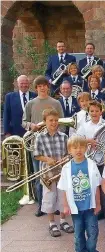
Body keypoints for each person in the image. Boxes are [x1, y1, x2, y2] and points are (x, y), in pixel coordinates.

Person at [22, 76, 64, 217]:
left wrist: (59, 137)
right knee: (40, 176)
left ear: (48, 87)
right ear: (36, 88)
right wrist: (31, 126)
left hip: (56, 144)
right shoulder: (31, 103)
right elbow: (24, 121)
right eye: (39, 86)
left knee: (57, 176)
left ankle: (57, 205)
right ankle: (41, 205)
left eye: (45, 85)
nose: (42, 88)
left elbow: (62, 122)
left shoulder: (56, 103)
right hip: (38, 144)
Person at [58, 136, 101, 252]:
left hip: (90, 206)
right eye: (75, 147)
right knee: (78, 233)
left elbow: (97, 186)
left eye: (82, 147)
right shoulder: (66, 168)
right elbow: (64, 188)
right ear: (69, 150)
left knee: (93, 232)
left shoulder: (91, 164)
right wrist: (65, 206)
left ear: (86, 148)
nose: (78, 150)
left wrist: (98, 203)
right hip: (76, 208)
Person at [33, 108, 74, 237]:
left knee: (63, 197)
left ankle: (63, 220)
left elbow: (69, 154)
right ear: (44, 121)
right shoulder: (39, 137)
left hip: (62, 171)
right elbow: (36, 155)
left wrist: (65, 158)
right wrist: (47, 159)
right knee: (49, 198)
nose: (54, 123)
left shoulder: (64, 136)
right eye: (51, 120)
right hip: (47, 173)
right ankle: (52, 223)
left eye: (56, 120)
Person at [77, 100, 105, 218]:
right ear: (88, 112)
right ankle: (98, 210)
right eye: (91, 111)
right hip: (92, 160)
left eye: (96, 111)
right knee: (94, 186)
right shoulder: (85, 125)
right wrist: (88, 141)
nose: (94, 113)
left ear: (101, 112)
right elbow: (77, 139)